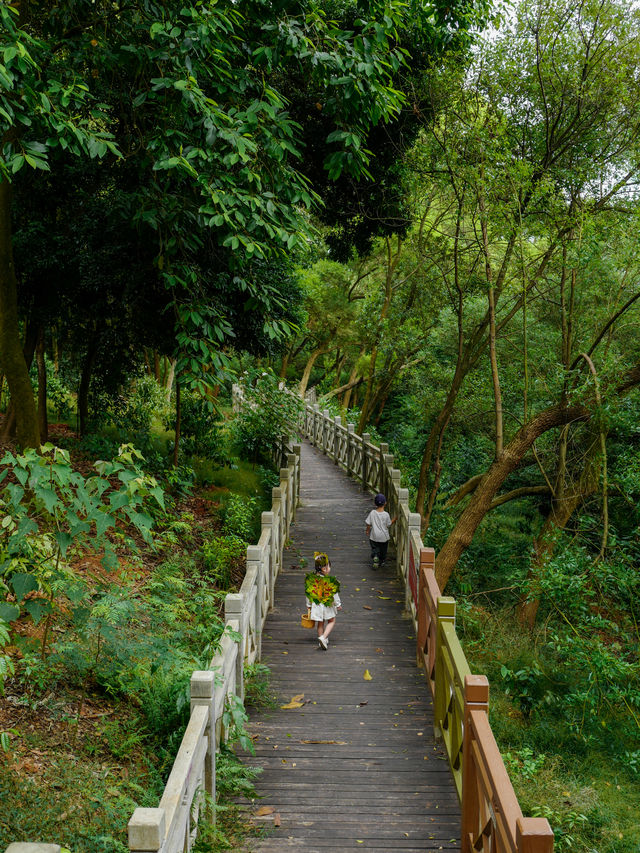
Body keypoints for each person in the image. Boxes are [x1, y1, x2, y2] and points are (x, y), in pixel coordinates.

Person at [305, 551, 342, 650]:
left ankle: (321, 640)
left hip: (316, 605)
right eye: (328, 567)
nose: (329, 569)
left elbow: (309, 593)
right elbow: (335, 594)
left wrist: (308, 605)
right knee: (332, 620)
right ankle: (323, 637)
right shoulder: (330, 581)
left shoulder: (312, 580)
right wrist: (338, 604)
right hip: (327, 604)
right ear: (324, 569)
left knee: (320, 623)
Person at [365, 493, 396, 569]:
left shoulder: (372, 513)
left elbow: (368, 523)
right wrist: (395, 519)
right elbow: (388, 524)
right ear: (385, 503)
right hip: (383, 537)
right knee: (383, 550)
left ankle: (375, 557)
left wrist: (367, 530)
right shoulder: (386, 515)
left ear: (375, 503)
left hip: (374, 536)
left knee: (375, 548)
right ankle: (382, 561)